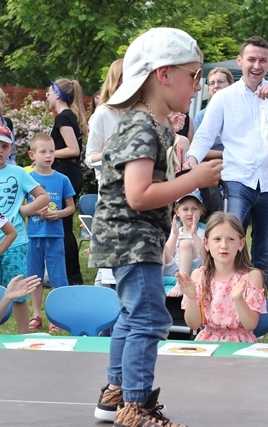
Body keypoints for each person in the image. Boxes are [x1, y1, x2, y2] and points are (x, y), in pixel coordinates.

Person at [89, 27, 222, 426]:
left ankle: (115, 394)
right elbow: (139, 194)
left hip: (135, 236)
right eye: (192, 75)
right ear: (163, 74)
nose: (197, 85)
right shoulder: (140, 126)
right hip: (131, 237)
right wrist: (194, 179)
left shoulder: (157, 126)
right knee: (148, 317)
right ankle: (136, 407)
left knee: (132, 314)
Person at [186, 36, 268, 289]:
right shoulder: (224, 97)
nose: (257, 65)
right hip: (238, 180)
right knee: (227, 242)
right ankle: (221, 298)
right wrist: (192, 158)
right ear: (240, 61)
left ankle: (256, 307)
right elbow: (205, 134)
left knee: (263, 254)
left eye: (263, 60)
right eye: (251, 59)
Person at [0, 125, 49, 334]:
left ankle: (23, 336)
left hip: (15, 244)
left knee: (19, 293)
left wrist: (24, 210)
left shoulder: (18, 173)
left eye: (4, 146)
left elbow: (43, 196)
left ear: (11, 150)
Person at [176, 212, 266, 342]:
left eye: (231, 239)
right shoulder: (198, 275)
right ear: (206, 243)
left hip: (241, 344)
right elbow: (193, 325)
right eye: (217, 239)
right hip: (207, 343)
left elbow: (250, 325)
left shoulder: (251, 276)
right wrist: (191, 297)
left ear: (241, 244)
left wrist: (238, 299)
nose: (224, 245)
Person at [25, 133, 76, 332]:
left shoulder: (62, 179)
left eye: (52, 151)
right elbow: (21, 208)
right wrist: (34, 210)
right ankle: (36, 314)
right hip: (33, 236)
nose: (48, 155)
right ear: (32, 155)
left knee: (57, 277)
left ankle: (57, 316)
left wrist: (58, 214)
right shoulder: (28, 179)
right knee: (34, 277)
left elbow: (71, 207)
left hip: (55, 236)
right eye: (43, 152)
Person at [47, 78, 88, 285]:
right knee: (65, 227)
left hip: (66, 174)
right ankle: (71, 274)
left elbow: (73, 149)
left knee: (63, 228)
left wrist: (48, 154)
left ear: (57, 94)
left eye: (48, 93)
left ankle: (70, 275)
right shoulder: (69, 115)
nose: (47, 97)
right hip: (71, 173)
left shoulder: (63, 117)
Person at [85, 58, 124, 185]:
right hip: (111, 187)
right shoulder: (102, 113)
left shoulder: (141, 111)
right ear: (119, 79)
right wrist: (112, 152)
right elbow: (89, 159)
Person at [163, 191, 206, 297]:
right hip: (174, 267)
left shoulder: (204, 232)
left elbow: (205, 258)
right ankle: (155, 281)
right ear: (177, 212)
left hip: (194, 267)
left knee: (185, 244)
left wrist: (194, 235)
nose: (190, 213)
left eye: (194, 209)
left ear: (201, 211)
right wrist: (174, 236)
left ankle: (181, 284)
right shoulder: (175, 230)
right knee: (161, 245)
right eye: (185, 209)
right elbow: (168, 254)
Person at [193, 66, 234, 158]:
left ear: (231, 85)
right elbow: (194, 149)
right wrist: (228, 155)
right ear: (209, 89)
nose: (216, 86)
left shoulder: (242, 112)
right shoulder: (201, 116)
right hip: (213, 164)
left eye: (221, 81)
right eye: (212, 83)